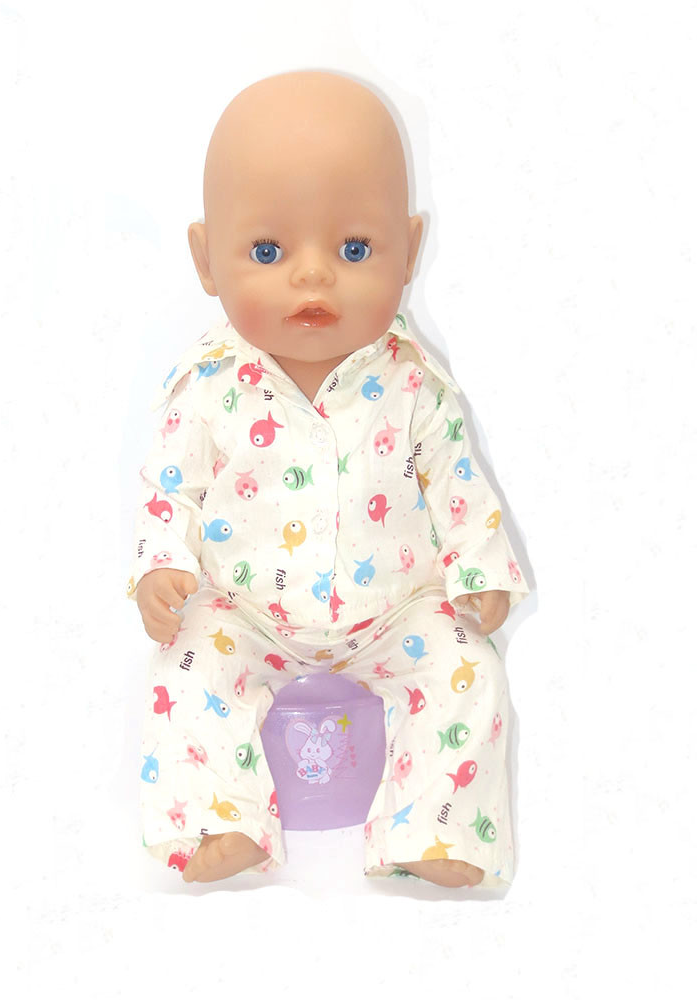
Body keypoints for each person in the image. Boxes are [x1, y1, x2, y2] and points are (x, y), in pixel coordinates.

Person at [128, 70, 530, 888]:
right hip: (247, 615)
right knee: (185, 667)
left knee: (467, 667)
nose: (312, 277)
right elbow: (169, 488)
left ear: (408, 251)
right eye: (268, 251)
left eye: (353, 250)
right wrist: (160, 567)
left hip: (394, 612)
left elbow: (458, 481)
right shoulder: (207, 387)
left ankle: (435, 829)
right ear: (206, 261)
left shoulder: (415, 384)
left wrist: (481, 568)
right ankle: (219, 817)